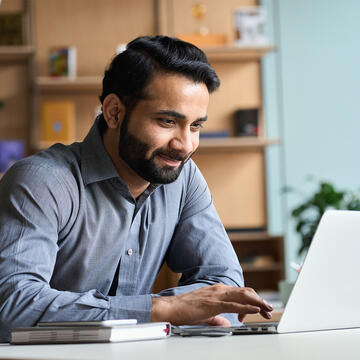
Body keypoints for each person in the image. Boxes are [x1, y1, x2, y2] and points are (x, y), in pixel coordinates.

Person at [0, 35, 272, 342]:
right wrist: (161, 309)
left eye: (196, 126)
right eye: (168, 121)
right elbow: (14, 306)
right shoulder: (41, 181)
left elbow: (224, 283)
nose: (185, 145)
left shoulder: (183, 178)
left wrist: (173, 309)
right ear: (114, 111)